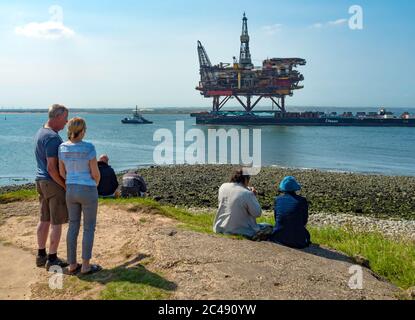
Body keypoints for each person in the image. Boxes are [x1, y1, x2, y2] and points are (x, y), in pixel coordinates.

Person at [58, 117, 102, 275]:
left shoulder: (62, 147)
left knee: (73, 226)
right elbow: (96, 173)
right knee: (89, 228)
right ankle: (85, 266)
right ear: (82, 131)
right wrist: (94, 185)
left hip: (70, 189)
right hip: (87, 188)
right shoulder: (89, 147)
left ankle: (71, 264)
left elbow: (62, 172)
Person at [34, 104, 69, 270]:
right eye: (64, 118)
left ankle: (41, 255)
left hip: (40, 181)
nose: (67, 122)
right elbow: (52, 168)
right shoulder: (53, 138)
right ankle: (53, 258)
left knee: (44, 219)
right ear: (56, 117)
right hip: (52, 182)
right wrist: (64, 184)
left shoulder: (41, 132)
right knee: (56, 222)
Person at [213, 169, 273, 240]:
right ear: (245, 179)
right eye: (248, 179)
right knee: (269, 227)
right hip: (242, 231)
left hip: (220, 228)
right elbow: (257, 213)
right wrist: (253, 196)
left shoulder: (223, 186)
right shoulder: (247, 194)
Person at [269, 176, 311, 249]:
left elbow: (276, 218)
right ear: (295, 188)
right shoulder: (302, 201)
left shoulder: (278, 199)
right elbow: (304, 221)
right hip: (298, 242)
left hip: (278, 237)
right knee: (306, 234)